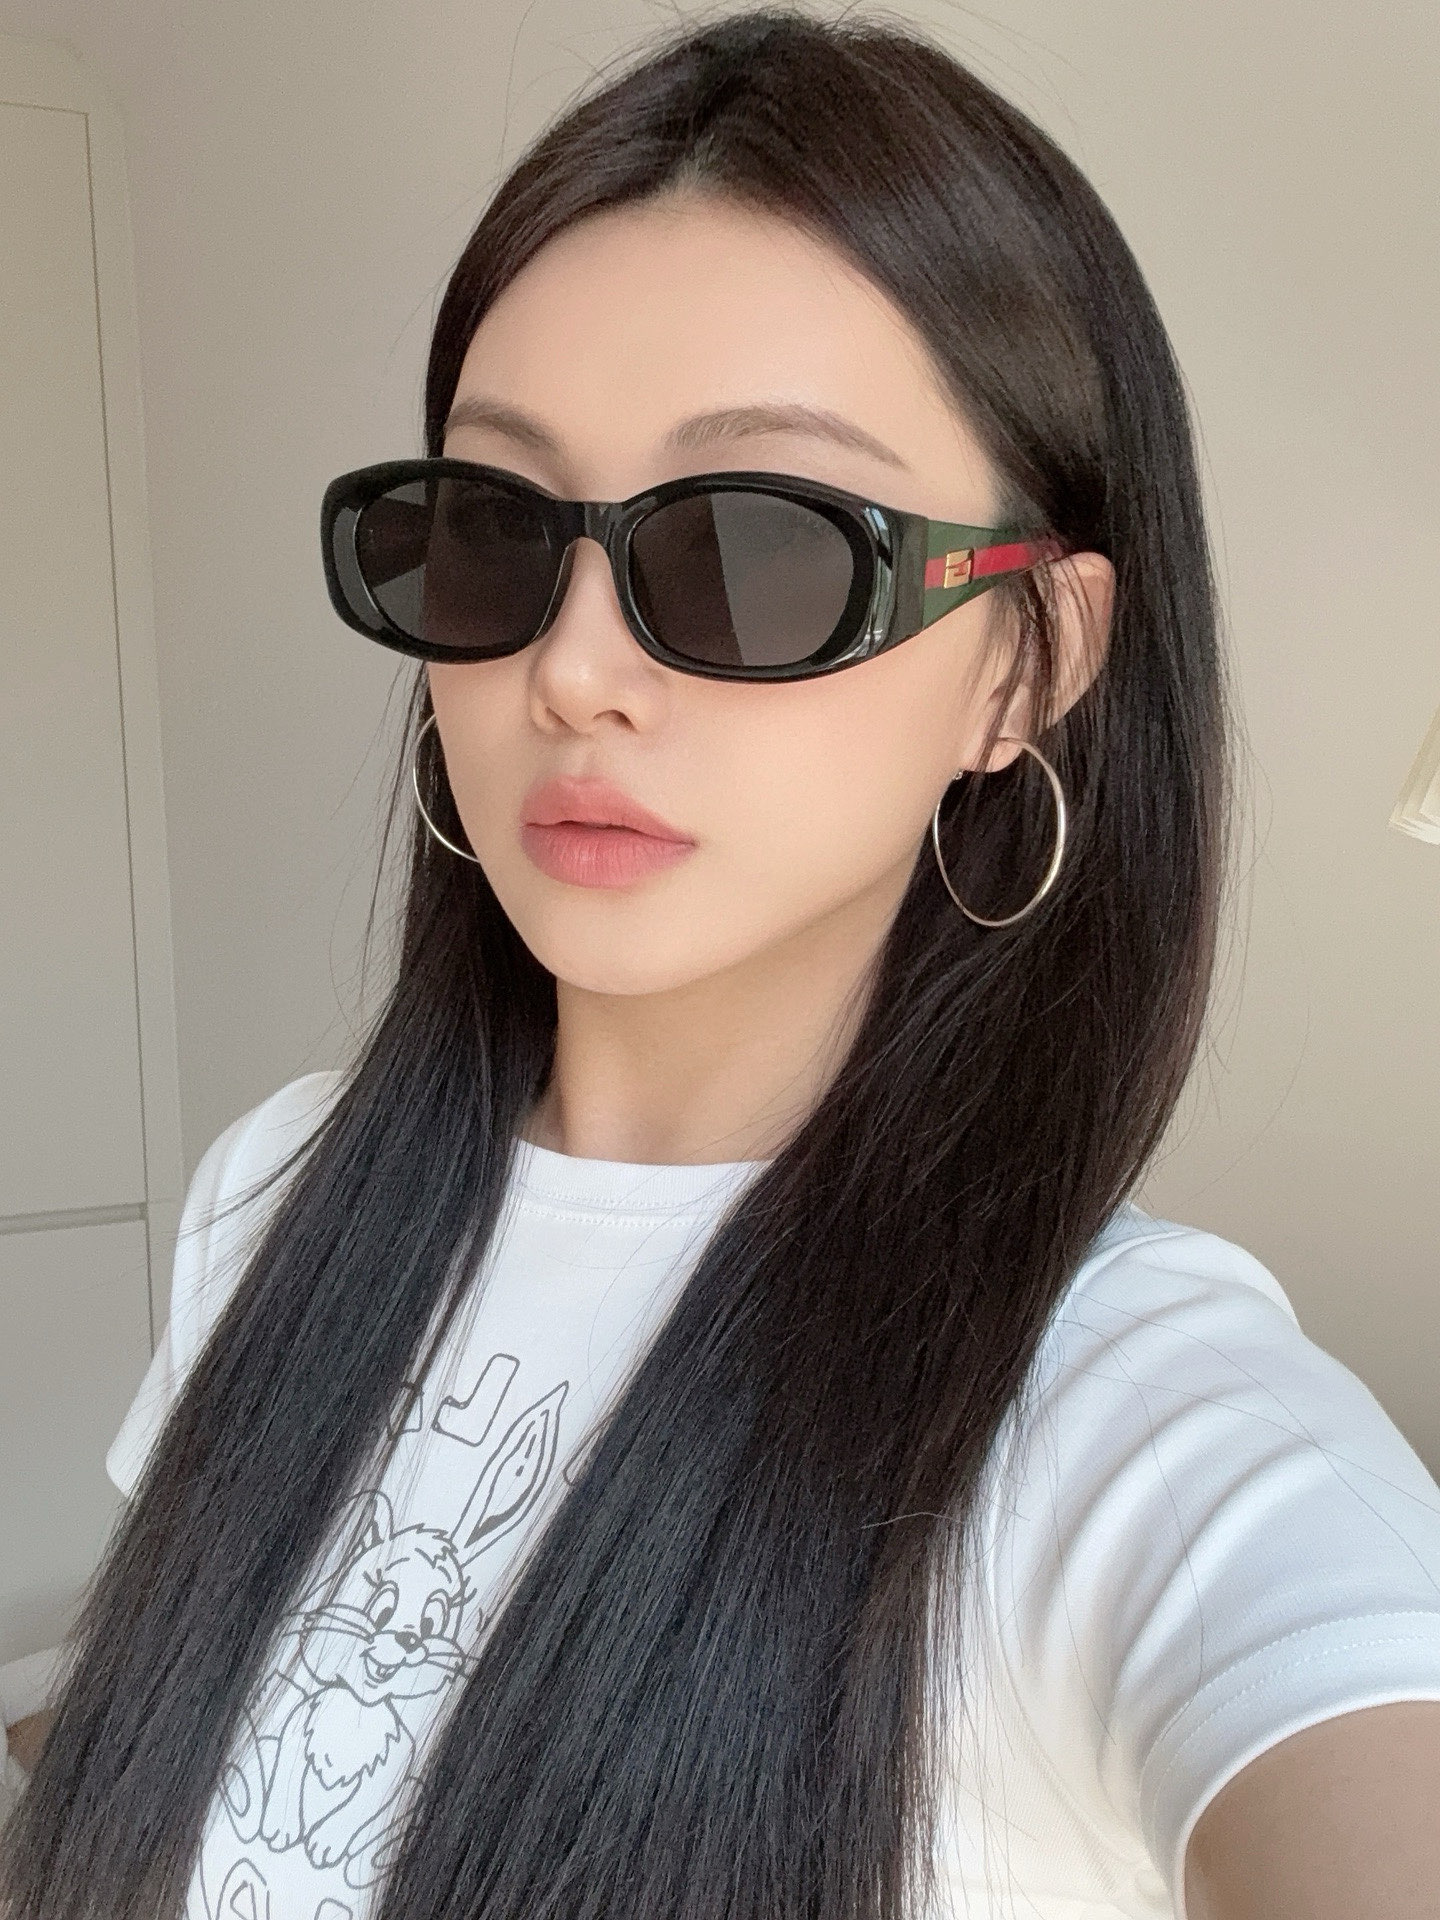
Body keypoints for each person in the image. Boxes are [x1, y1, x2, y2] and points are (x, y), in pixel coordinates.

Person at [5, 10, 1440, 1920]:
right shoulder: (275, 1194)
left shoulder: (1134, 1424)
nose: (572, 669)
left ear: (1024, 663)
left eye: (763, 548)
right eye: (493, 532)